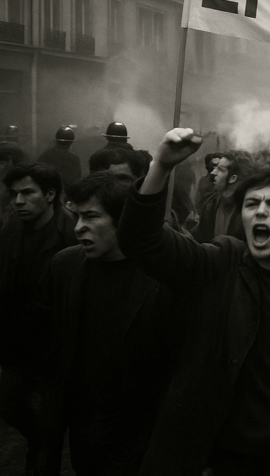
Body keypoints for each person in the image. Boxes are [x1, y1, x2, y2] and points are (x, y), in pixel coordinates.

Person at [118, 128, 270, 475]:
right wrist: (161, 166)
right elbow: (141, 242)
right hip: (223, 455)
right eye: (251, 204)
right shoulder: (219, 262)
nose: (260, 212)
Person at [36, 172, 180, 476]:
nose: (78, 228)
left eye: (91, 217)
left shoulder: (164, 276)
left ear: (123, 219)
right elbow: (53, 349)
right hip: (85, 426)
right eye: (76, 216)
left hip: (143, 429)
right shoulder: (65, 266)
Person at [0, 163, 77, 474]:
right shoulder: (12, 228)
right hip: (18, 344)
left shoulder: (71, 233)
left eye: (27, 193)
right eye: (14, 194)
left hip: (54, 350)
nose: (18, 201)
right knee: (9, 404)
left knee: (49, 435)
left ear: (49, 195)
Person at [193, 150, 249, 243]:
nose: (213, 172)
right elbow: (200, 238)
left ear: (233, 178)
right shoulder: (211, 203)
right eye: (215, 167)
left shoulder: (247, 210)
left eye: (220, 169)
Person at [36, 125, 82, 191]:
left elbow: (37, 171)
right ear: (71, 142)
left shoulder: (46, 154)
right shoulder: (73, 158)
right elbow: (76, 178)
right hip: (65, 190)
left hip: (47, 189)